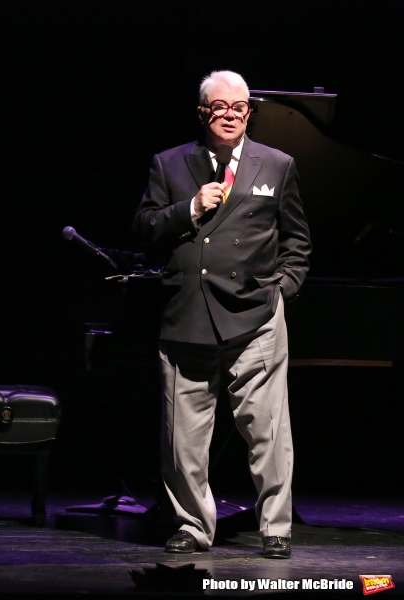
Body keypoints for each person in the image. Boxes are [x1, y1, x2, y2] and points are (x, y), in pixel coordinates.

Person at [133, 70, 311, 558]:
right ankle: (192, 525)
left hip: (255, 315)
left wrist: (284, 289)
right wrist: (188, 208)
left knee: (268, 430)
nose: (229, 114)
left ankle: (275, 527)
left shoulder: (277, 164)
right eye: (219, 107)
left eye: (239, 107)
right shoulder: (169, 164)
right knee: (184, 437)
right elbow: (145, 227)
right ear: (203, 112)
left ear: (249, 112)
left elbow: (297, 239)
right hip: (188, 314)